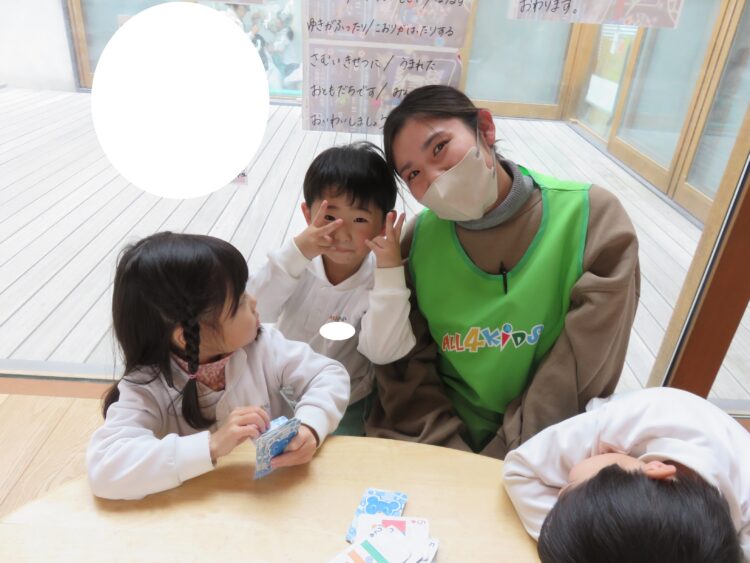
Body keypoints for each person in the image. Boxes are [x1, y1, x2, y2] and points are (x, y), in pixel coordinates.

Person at [367, 84, 640, 458]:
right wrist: (448, 455)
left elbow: (578, 371)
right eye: (413, 173)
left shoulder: (593, 220)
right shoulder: (416, 242)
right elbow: (406, 367)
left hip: (550, 442)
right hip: (435, 441)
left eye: (440, 147)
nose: (434, 177)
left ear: (485, 128)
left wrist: (502, 463)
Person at [87, 232, 349, 500]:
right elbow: (105, 469)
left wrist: (310, 426)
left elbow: (328, 374)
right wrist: (212, 445)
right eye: (239, 302)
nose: (254, 301)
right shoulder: (147, 384)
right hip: (194, 510)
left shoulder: (262, 345)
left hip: (273, 495)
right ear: (187, 336)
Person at [248, 142, 415, 436]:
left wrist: (390, 272)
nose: (342, 233)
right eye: (329, 216)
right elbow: (254, 311)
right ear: (307, 213)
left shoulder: (380, 280)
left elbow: (383, 351)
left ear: (383, 225)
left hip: (346, 403)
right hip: (279, 391)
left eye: (360, 219)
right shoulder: (297, 263)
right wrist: (296, 251)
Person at [502, 387, 749, 562]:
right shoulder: (624, 423)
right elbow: (520, 470)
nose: (557, 493)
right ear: (654, 469)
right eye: (571, 486)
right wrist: (571, 538)